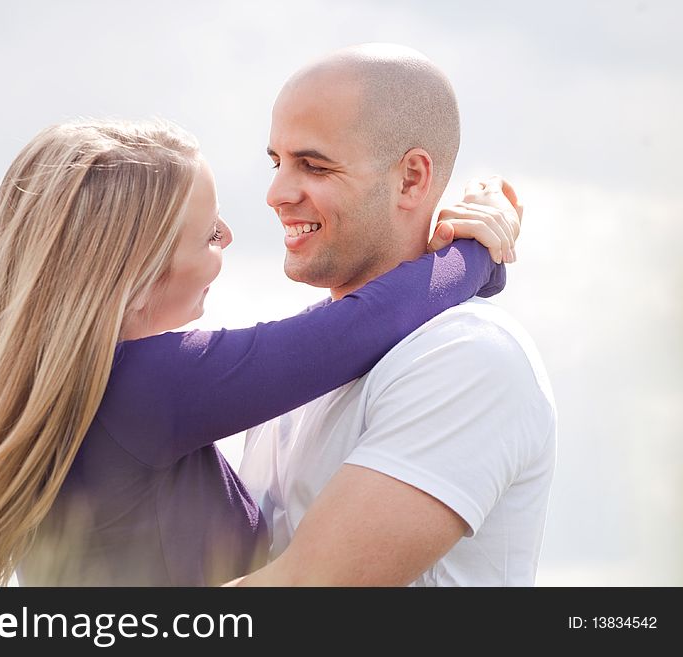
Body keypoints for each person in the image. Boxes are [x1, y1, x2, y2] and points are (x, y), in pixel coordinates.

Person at [0, 117, 516, 587]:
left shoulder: (70, 397)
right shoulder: (147, 388)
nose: (231, 237)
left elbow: (331, 329)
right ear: (135, 268)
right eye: (209, 233)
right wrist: (478, 252)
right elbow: (355, 330)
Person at [233, 44, 556, 587]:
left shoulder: (468, 358)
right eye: (277, 162)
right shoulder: (301, 363)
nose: (276, 193)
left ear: (411, 178)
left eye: (313, 165)